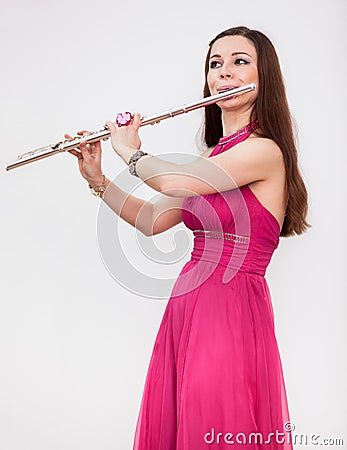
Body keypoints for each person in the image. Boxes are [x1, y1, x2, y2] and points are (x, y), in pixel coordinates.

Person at [67, 26, 310, 450]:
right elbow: (153, 219)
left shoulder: (264, 151)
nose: (225, 74)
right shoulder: (210, 159)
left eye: (240, 62)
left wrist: (130, 151)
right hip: (188, 307)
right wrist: (98, 178)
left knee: (213, 426)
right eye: (216, 64)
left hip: (230, 310)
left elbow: (177, 180)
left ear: (263, 75)